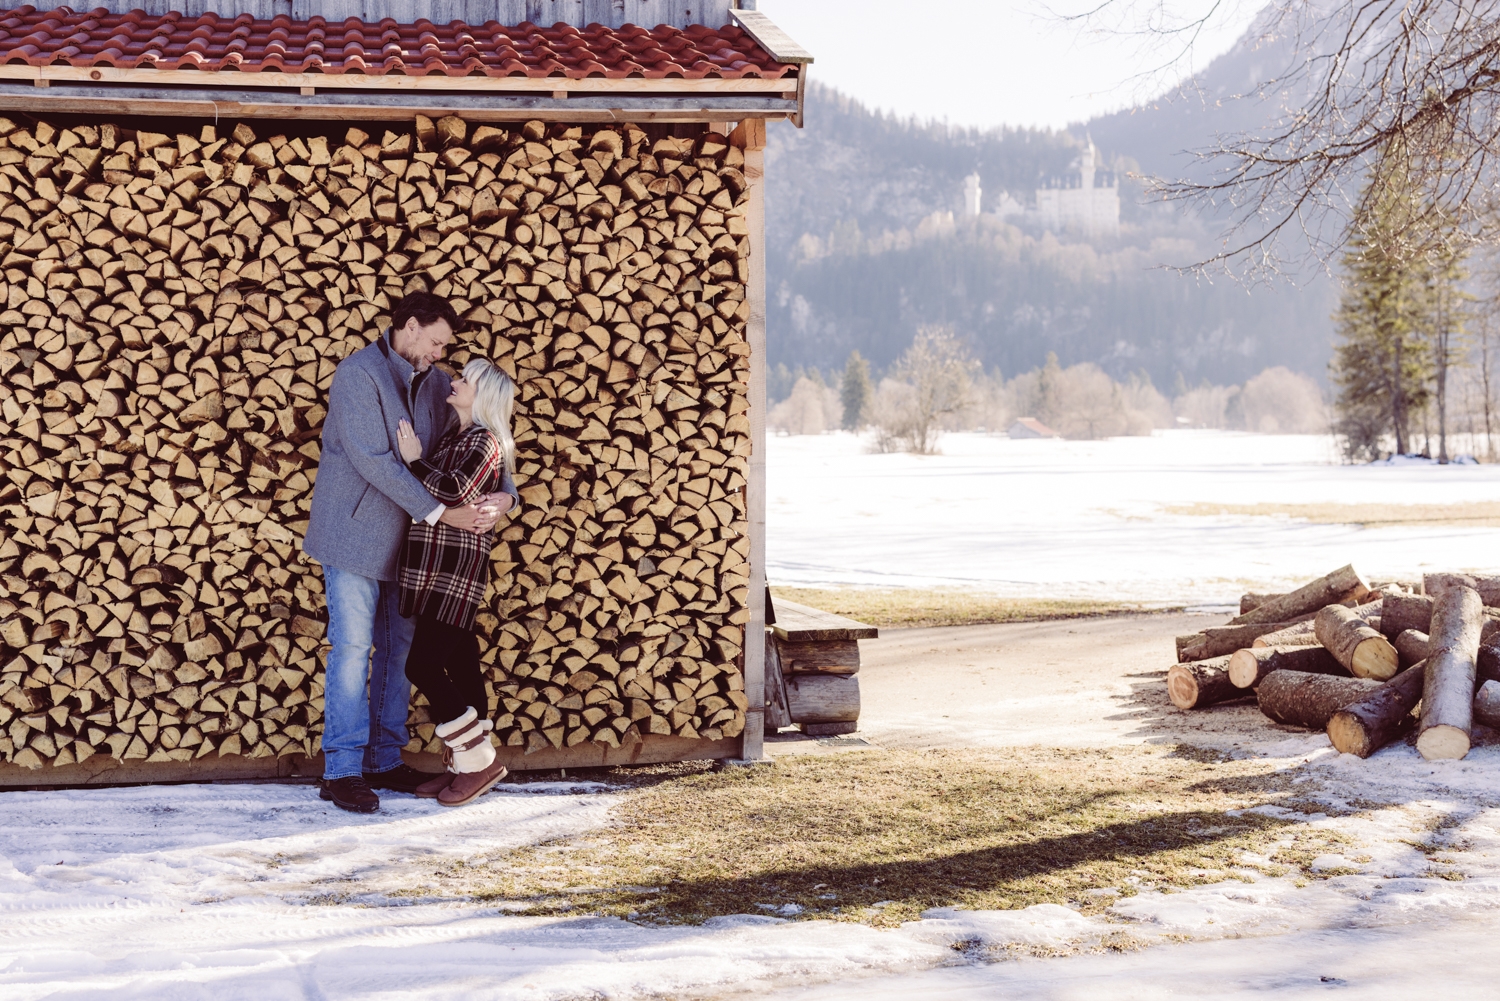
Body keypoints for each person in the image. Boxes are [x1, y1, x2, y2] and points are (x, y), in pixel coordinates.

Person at [303, 292, 504, 814]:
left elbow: (479, 439)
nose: (441, 353)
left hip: (414, 548)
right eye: (436, 341)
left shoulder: (439, 384)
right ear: (410, 327)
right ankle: (342, 769)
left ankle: (383, 758)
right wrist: (440, 513)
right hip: (354, 536)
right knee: (351, 648)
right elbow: (373, 459)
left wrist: (507, 495)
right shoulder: (358, 376)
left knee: (399, 652)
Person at [395, 358, 519, 806]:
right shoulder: (459, 437)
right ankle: (460, 767)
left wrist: (413, 463)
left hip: (453, 572)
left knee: (421, 667)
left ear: (481, 394)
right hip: (437, 568)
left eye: (465, 380)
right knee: (463, 664)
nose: (454, 381)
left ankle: (480, 762)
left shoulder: (484, 441)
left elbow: (453, 491)